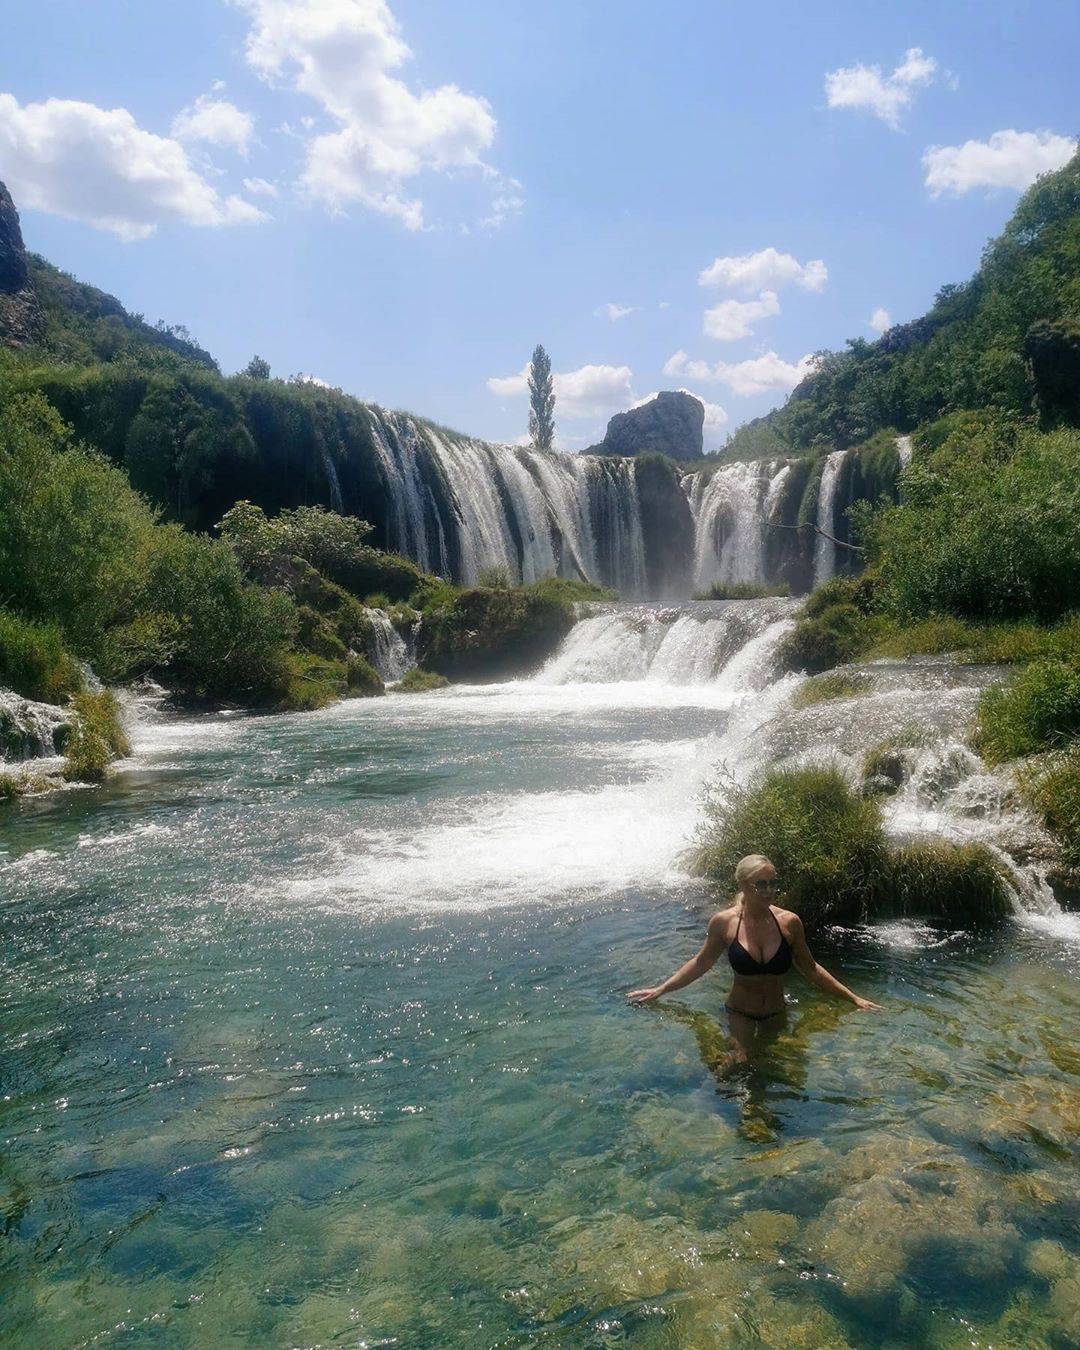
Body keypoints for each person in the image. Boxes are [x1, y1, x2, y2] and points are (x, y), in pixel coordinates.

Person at [627, 855, 881, 1030]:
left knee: (784, 1081)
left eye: (773, 883)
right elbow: (701, 963)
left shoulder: (789, 922)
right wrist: (661, 989)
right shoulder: (724, 923)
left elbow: (810, 968)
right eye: (761, 884)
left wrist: (853, 998)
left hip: (778, 1013)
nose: (769, 890)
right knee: (741, 1073)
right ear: (743, 885)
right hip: (739, 1014)